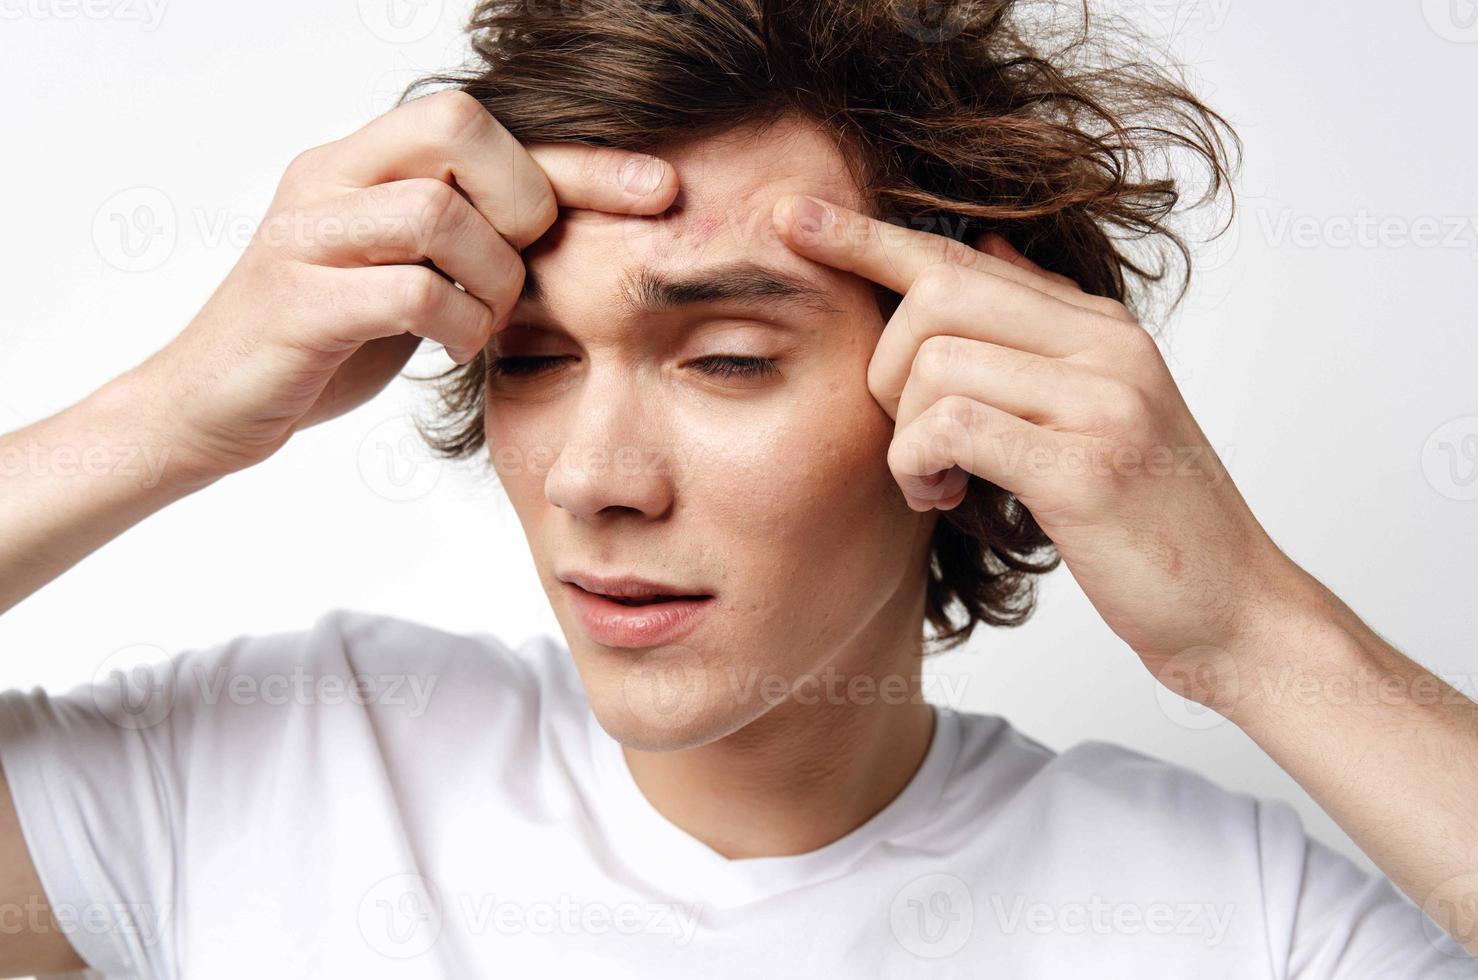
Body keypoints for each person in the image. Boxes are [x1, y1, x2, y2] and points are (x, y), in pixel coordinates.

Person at [1, 1, 1475, 977]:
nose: (590, 478)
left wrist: (1255, 633)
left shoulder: (1226, 921)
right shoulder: (291, 767)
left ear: (966, 391)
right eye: (529, 359)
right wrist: (175, 414)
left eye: (720, 358)